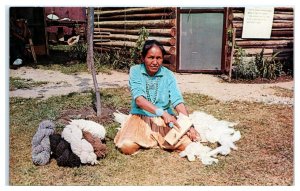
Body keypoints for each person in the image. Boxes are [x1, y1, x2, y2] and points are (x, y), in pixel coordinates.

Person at [114, 39, 200, 155]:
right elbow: (139, 100)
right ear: (143, 58)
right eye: (151, 57)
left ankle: (151, 139)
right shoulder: (135, 71)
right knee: (126, 146)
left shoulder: (168, 75)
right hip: (140, 117)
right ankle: (148, 137)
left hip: (164, 120)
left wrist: (189, 126)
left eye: (159, 58)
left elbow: (177, 101)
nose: (155, 62)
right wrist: (163, 113)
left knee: (187, 144)